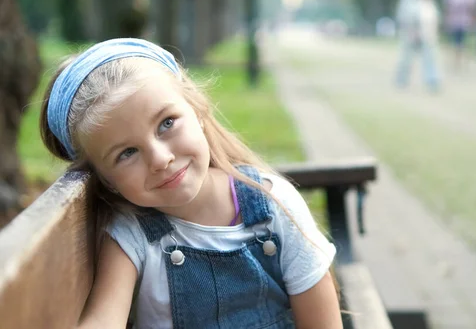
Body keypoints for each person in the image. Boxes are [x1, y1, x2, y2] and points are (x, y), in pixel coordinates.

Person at [40, 38, 341, 329]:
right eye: (127, 153)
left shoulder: (274, 206)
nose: (159, 159)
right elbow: (104, 320)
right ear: (107, 180)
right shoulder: (131, 236)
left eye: (166, 123)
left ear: (197, 111)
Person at [395, 0, 442, 92]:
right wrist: (412, 31)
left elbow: (434, 19)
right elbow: (404, 17)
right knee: (406, 59)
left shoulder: (429, 2)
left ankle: (432, 81)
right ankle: (401, 80)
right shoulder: (408, 0)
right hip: (410, 35)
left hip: (427, 36)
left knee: (429, 59)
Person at [443, 0, 476, 70]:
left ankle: (464, 60)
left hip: (466, 21)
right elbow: (447, 7)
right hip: (455, 21)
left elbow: (474, 8)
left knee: (465, 42)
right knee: (456, 42)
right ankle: (457, 61)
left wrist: (474, 20)